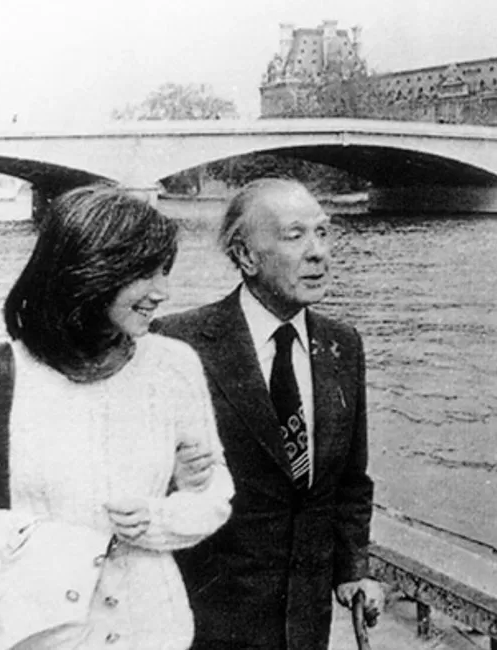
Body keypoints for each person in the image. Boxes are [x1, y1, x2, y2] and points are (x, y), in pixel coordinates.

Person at [0, 184, 235, 650]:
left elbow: (213, 490)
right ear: (89, 273)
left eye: (165, 272)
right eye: (145, 274)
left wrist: (160, 518)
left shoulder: (174, 366)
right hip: (35, 632)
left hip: (149, 630)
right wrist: (25, 544)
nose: (163, 293)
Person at [154, 178, 383, 650]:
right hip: (208, 621)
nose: (318, 252)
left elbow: (350, 481)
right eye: (294, 235)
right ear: (245, 256)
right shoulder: (178, 344)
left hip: (306, 621)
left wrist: (353, 569)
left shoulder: (343, 344)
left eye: (323, 232)